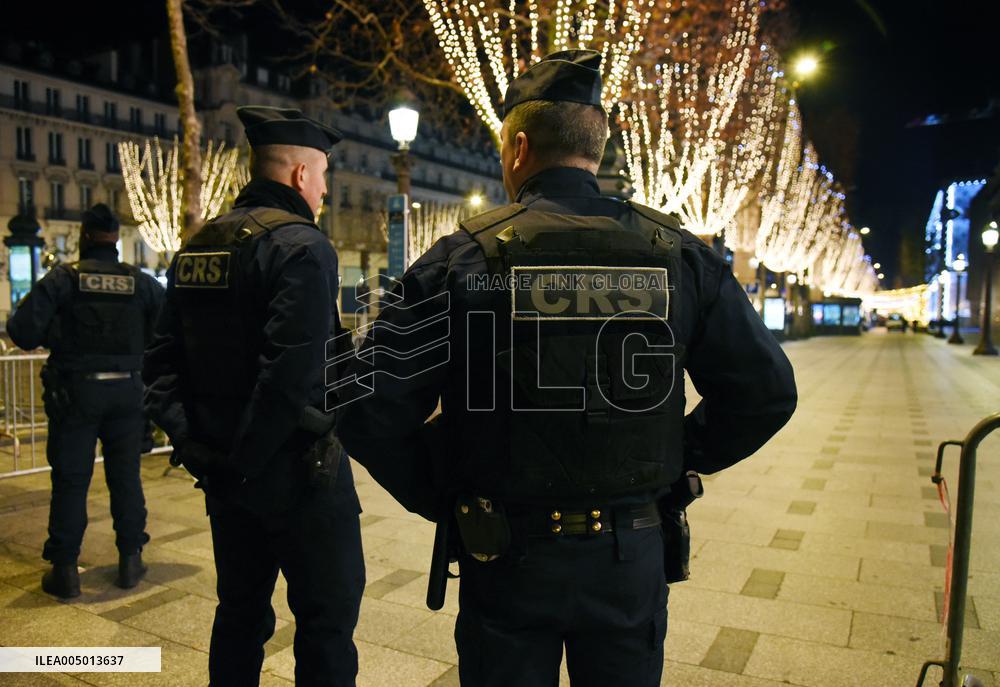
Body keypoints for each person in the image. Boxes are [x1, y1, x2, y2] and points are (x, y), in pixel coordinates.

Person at [336, 50, 797, 686]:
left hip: (507, 550)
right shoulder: (679, 255)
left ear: (519, 148)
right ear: (596, 147)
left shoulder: (462, 259)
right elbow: (767, 395)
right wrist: (674, 455)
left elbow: (367, 407)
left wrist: (444, 491)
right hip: (631, 551)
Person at [143, 106, 364, 687]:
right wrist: (247, 462)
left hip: (221, 474)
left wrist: (195, 446)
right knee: (326, 622)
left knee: (239, 614)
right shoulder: (302, 247)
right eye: (322, 177)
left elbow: (160, 364)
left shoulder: (198, 245)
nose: (323, 190)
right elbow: (290, 376)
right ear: (298, 176)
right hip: (297, 474)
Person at [6, 204, 164, 598]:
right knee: (125, 477)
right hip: (129, 393)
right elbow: (168, 332)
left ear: (84, 236)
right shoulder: (140, 282)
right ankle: (130, 561)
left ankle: (65, 570)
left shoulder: (64, 279)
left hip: (75, 393)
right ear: (115, 239)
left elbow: (22, 330)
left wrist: (59, 333)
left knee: (71, 481)